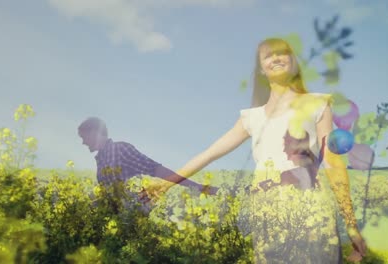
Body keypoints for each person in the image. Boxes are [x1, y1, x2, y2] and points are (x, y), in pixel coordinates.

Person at [155, 38, 366, 263]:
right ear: (261, 69)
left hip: (310, 208)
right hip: (268, 213)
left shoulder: (318, 104)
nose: (275, 58)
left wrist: (351, 225)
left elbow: (333, 163)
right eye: (268, 56)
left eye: (281, 53)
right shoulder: (252, 118)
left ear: (293, 62)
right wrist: (167, 182)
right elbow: (209, 153)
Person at [78, 117, 217, 214]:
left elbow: (155, 169)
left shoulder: (120, 149)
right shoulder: (101, 160)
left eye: (84, 137)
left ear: (94, 132)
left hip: (134, 212)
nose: (83, 142)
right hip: (117, 216)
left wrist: (197, 187)